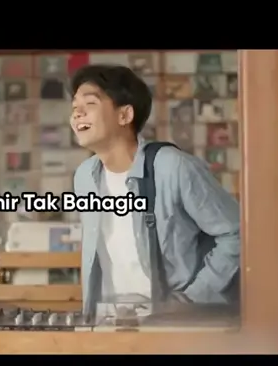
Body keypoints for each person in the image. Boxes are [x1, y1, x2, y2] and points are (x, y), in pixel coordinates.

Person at [70, 64, 240, 315]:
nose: (77, 113)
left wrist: (191, 300)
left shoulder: (173, 167)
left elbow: (237, 233)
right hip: (113, 324)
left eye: (90, 103)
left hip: (175, 326)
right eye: (74, 106)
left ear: (124, 115)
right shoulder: (84, 176)